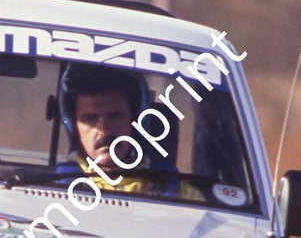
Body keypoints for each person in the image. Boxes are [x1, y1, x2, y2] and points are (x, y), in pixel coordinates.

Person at [57, 64, 198, 198]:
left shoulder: (181, 193)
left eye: (115, 117)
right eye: (90, 118)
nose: (104, 130)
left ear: (136, 121)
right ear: (74, 127)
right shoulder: (52, 188)